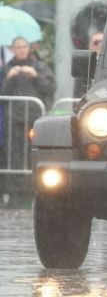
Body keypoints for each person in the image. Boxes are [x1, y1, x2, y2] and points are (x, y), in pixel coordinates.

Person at [1, 36, 56, 198]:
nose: (21, 50)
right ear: (13, 50)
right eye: (18, 47)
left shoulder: (40, 67)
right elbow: (2, 95)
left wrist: (36, 77)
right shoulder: (6, 70)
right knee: (14, 157)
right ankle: (16, 194)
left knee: (35, 155)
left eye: (24, 47)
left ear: (29, 48)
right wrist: (9, 78)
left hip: (36, 119)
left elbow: (51, 88)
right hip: (14, 121)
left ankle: (36, 192)